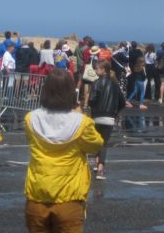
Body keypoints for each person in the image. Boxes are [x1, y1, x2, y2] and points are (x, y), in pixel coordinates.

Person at [24, 68, 103, 232]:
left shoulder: (31, 118)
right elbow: (96, 145)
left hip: (37, 194)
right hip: (69, 197)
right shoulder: (81, 123)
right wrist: (80, 113)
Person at [88, 58, 124, 181]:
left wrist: (95, 107)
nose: (95, 70)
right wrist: (116, 111)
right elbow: (122, 102)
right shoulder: (115, 84)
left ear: (103, 69)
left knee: (97, 141)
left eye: (96, 68)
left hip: (97, 116)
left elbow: (91, 101)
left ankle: (97, 162)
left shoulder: (96, 83)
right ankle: (100, 169)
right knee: (104, 143)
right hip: (109, 117)